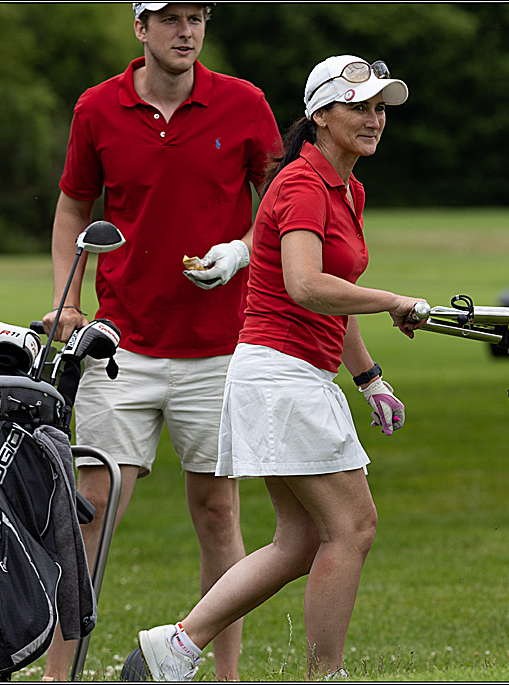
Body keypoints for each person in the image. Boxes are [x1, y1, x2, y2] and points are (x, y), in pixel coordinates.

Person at [127, 54, 424, 682]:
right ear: (320, 115)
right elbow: (306, 285)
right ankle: (326, 673)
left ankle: (177, 646)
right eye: (359, 107)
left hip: (291, 375)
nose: (374, 119)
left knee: (300, 540)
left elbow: (332, 297)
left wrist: (369, 378)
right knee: (353, 526)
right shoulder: (300, 185)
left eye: (380, 109)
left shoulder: (348, 187)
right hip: (280, 377)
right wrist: (393, 300)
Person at [39, 3, 282, 681]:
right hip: (122, 345)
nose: (186, 31)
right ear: (140, 28)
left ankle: (225, 673)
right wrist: (67, 300)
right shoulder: (97, 108)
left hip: (218, 348)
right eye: (170, 17)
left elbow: (281, 202)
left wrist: (241, 249)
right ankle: (59, 675)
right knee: (91, 508)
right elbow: (72, 207)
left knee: (217, 509)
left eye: (197, 17)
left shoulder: (243, 103)